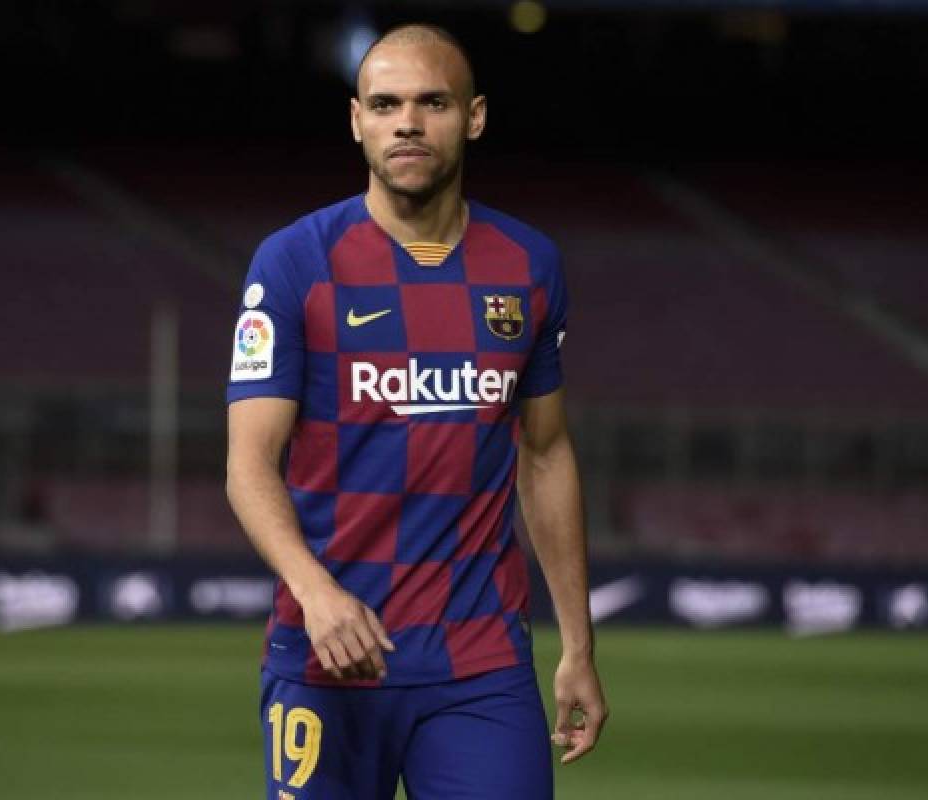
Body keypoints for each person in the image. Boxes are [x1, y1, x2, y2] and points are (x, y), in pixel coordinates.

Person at [225, 22, 606, 800]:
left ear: (474, 117)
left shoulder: (529, 265)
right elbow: (247, 464)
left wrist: (577, 643)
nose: (407, 121)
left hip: (480, 665)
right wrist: (317, 591)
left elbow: (545, 453)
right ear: (357, 120)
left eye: (432, 102)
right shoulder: (295, 263)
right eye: (386, 102)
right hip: (326, 655)